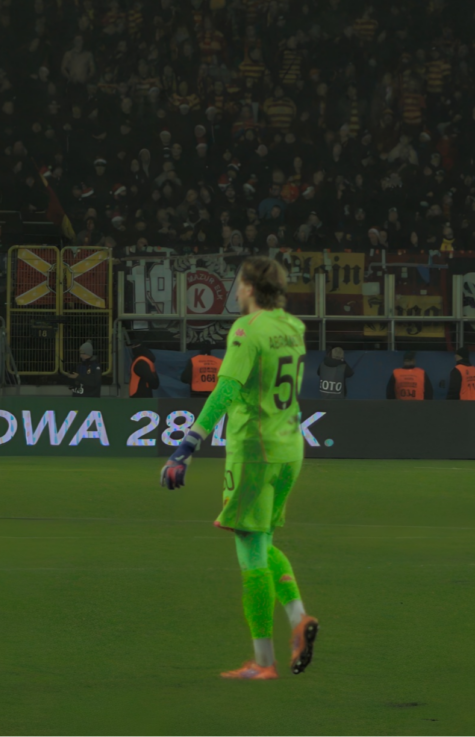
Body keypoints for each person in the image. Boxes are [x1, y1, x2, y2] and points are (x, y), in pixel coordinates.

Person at [161, 256, 318, 681]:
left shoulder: (247, 330)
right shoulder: (293, 327)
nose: (235, 288)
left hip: (254, 452)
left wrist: (187, 445)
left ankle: (263, 662)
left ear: (249, 287)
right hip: (290, 448)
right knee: (264, 540)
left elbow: (225, 391)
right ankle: (299, 618)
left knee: (250, 552)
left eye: (238, 282)